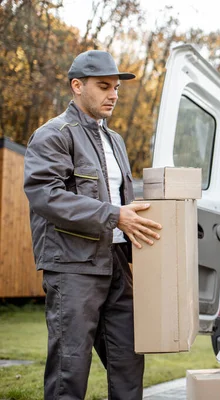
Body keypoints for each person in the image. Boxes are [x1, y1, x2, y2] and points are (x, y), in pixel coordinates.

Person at [23, 50, 162, 399]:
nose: (113, 94)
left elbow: (120, 199)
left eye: (115, 87)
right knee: (69, 367)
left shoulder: (116, 140)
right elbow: (46, 196)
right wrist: (114, 215)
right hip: (72, 267)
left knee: (129, 359)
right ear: (77, 86)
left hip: (115, 262)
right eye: (103, 86)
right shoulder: (53, 135)